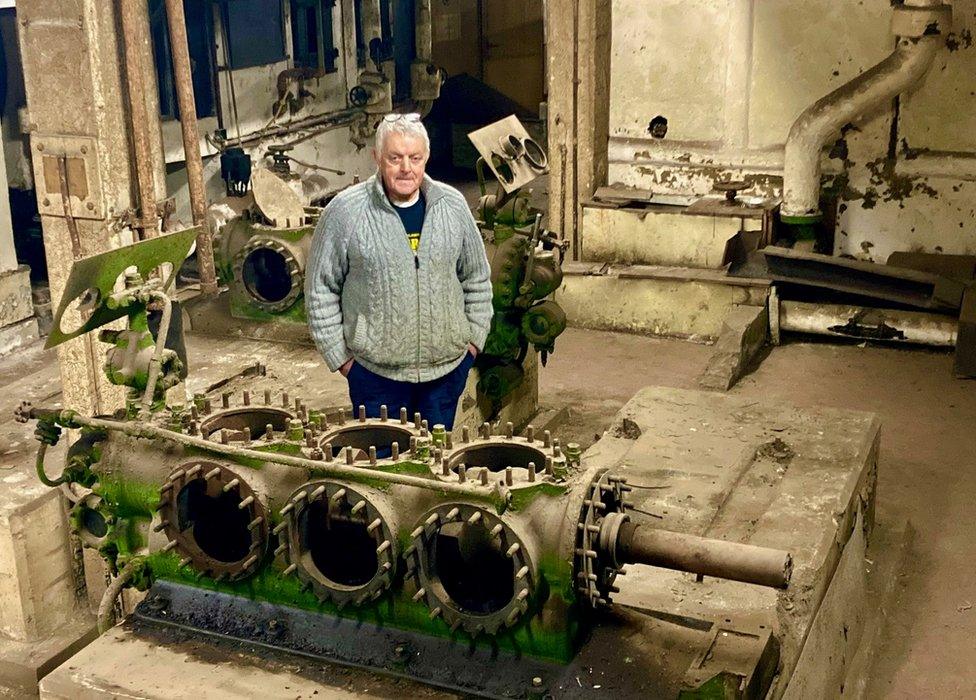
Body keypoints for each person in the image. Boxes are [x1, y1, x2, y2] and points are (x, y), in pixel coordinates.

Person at [305, 113, 493, 431]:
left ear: (426, 158)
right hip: (375, 377)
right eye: (395, 157)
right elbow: (320, 288)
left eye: (414, 157)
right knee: (383, 469)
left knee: (435, 467)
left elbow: (476, 277)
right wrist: (341, 358)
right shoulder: (345, 212)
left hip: (445, 374)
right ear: (377, 157)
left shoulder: (453, 206)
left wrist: (472, 342)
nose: (406, 167)